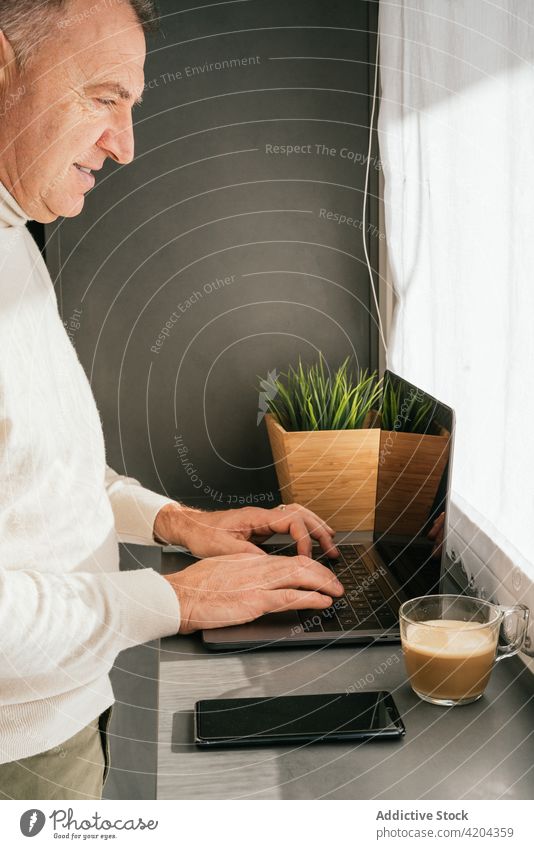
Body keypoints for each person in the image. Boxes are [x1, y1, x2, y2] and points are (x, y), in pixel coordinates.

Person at [0, 0, 343, 800]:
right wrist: (175, 597)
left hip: (63, 706)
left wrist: (175, 523)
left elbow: (34, 471)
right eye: (103, 97)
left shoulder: (14, 235)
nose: (125, 146)